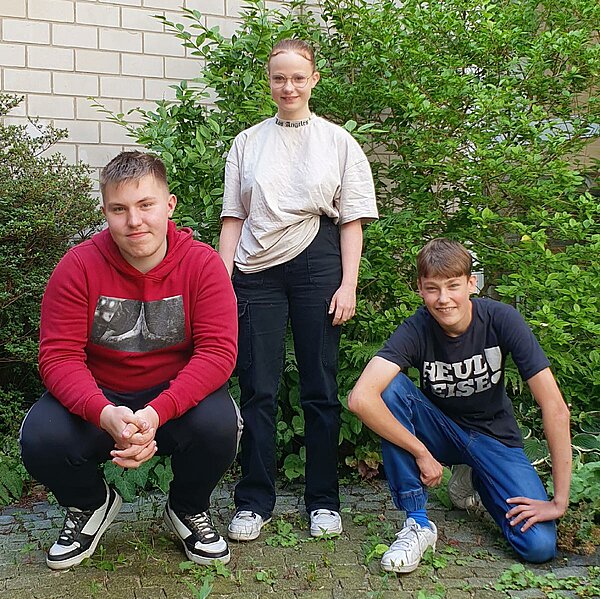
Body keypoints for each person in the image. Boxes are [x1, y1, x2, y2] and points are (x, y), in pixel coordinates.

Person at [20, 151, 241, 570]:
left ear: (169, 205)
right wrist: (104, 413)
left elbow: (218, 353)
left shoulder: (202, 265)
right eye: (119, 209)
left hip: (174, 399)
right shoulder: (78, 266)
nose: (134, 221)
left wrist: (156, 413)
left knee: (220, 424)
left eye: (145, 205)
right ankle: (90, 503)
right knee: (40, 437)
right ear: (105, 212)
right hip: (100, 395)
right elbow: (58, 355)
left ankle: (188, 507)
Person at [219, 38, 378, 541]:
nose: (287, 86)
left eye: (297, 77)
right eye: (278, 78)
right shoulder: (246, 142)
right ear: (269, 83)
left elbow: (352, 221)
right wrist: (222, 281)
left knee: (319, 388)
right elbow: (233, 217)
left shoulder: (338, 142)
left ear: (313, 80)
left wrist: (348, 284)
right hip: (255, 270)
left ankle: (323, 502)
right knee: (258, 388)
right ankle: (254, 501)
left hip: (318, 262)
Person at [348, 238, 571, 573]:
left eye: (453, 286)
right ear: (420, 290)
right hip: (440, 432)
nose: (443, 299)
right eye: (432, 288)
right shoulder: (417, 328)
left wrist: (559, 501)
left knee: (538, 546)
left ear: (472, 284)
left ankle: (475, 480)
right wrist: (421, 452)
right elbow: (360, 398)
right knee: (390, 389)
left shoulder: (501, 320)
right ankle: (417, 523)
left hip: (494, 439)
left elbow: (555, 407)